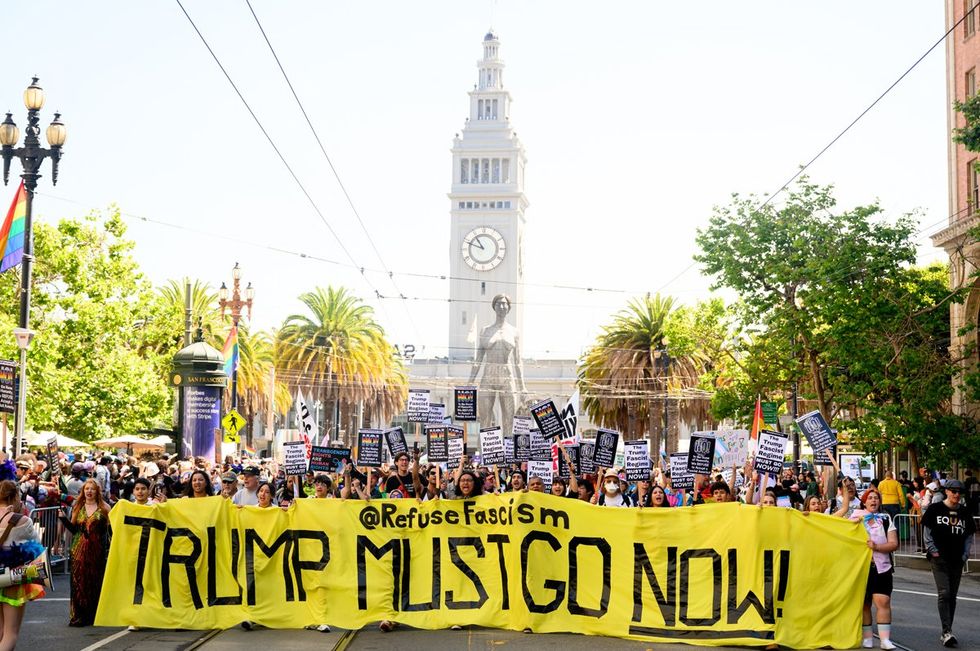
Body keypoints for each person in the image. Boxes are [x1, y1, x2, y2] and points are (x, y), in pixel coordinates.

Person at [922, 479, 976, 647]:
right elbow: (927, 532)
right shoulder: (935, 509)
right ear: (946, 491)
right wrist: (933, 551)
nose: (956, 494)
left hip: (957, 559)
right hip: (939, 558)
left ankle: (947, 630)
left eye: (959, 492)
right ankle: (946, 632)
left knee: (952, 595)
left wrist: (965, 555)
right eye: (953, 491)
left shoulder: (965, 512)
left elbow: (969, 535)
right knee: (944, 593)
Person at [849, 488, 899, 650]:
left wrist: (877, 547)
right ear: (864, 502)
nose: (873, 500)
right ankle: (868, 637)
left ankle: (885, 640)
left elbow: (894, 543)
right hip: (861, 568)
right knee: (864, 603)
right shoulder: (855, 518)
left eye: (876, 498)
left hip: (882, 567)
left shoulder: (885, 519)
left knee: (883, 601)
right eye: (870, 498)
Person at [0, 479, 46, 650]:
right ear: (15, 497)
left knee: (0, 632)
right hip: (12, 579)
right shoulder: (22, 520)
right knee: (10, 633)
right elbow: (36, 546)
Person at [59, 479, 110, 626]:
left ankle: (94, 615)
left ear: (97, 491)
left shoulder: (105, 508)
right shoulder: (78, 507)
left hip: (97, 551)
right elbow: (74, 529)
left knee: (94, 582)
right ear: (83, 491)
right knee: (78, 583)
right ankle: (78, 616)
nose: (89, 491)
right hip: (78, 550)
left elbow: (111, 530)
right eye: (87, 489)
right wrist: (63, 519)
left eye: (92, 489)